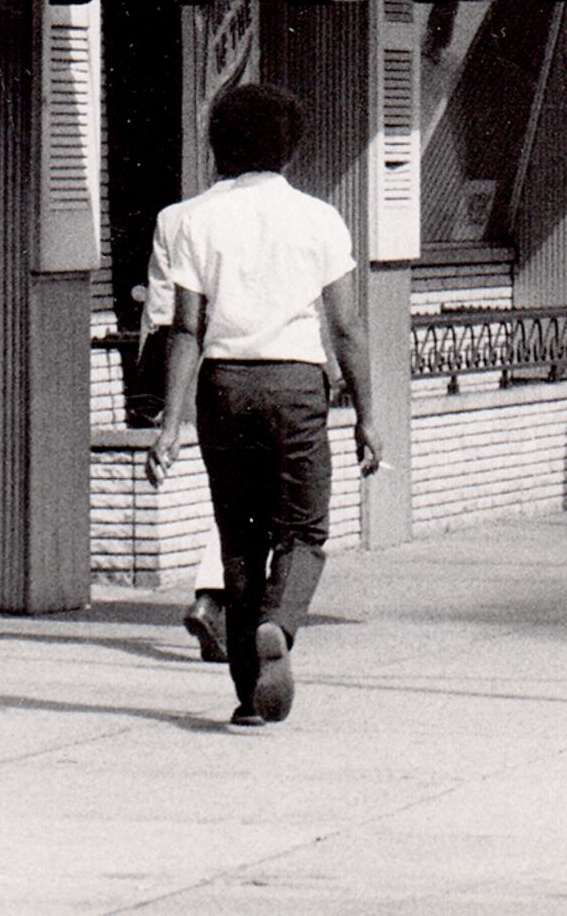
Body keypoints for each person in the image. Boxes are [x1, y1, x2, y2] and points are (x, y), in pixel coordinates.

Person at [144, 83, 383, 728]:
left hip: (223, 389)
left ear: (219, 145)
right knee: (303, 531)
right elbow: (349, 328)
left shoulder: (193, 219)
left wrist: (171, 426)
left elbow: (185, 328)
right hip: (295, 385)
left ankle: (250, 697)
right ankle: (280, 622)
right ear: (289, 146)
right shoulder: (319, 218)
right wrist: (368, 415)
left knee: (239, 541)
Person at [140, 191, 229, 665]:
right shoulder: (262, 213)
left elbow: (160, 309)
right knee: (257, 496)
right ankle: (216, 598)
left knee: (230, 490)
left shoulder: (173, 217)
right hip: (245, 366)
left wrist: (167, 413)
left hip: (185, 366)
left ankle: (217, 599)